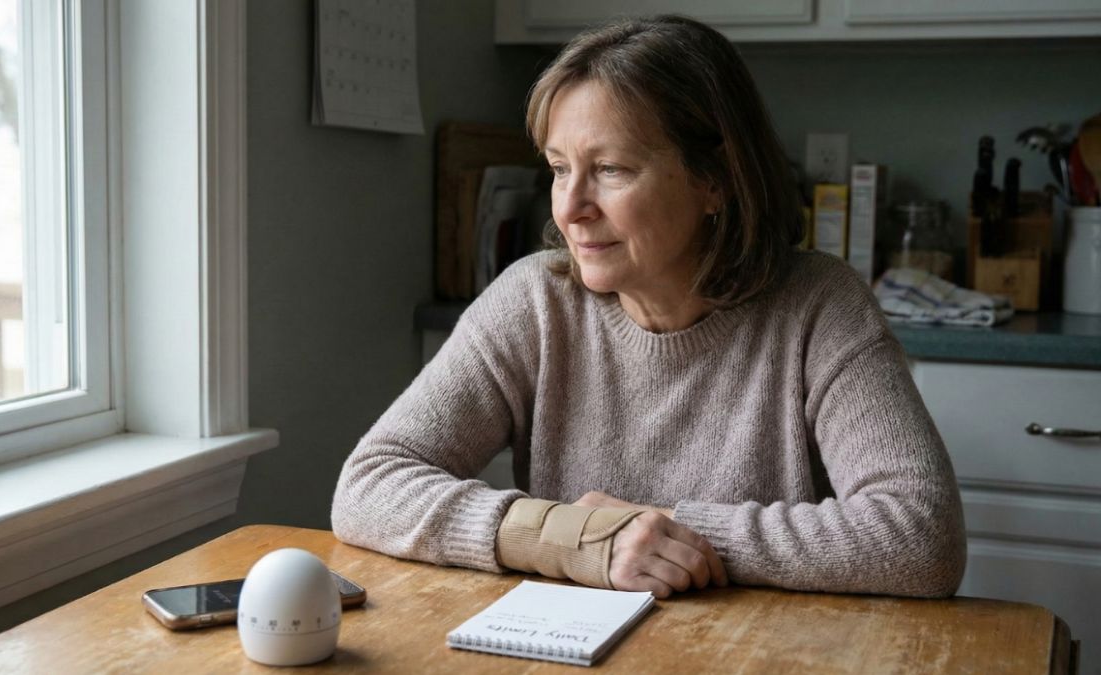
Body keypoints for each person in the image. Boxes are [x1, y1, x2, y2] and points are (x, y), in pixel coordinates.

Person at [331, 15, 966, 599]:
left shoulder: (821, 307)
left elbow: (921, 535)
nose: (570, 206)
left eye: (609, 169)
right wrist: (572, 537)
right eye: (558, 169)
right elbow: (369, 486)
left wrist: (670, 534)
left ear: (713, 181)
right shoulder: (534, 300)